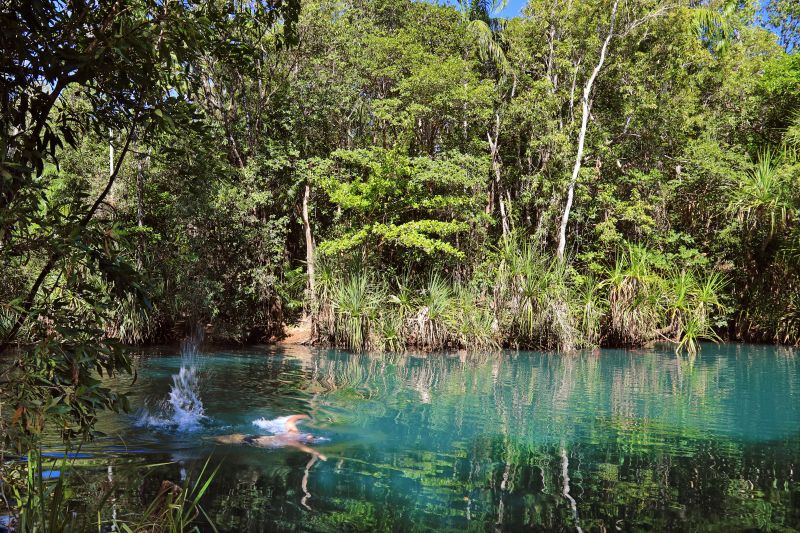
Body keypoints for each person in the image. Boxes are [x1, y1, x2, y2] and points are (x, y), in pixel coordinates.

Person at [212, 414, 326, 460]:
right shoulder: (294, 438)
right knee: (237, 440)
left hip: (259, 438)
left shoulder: (294, 435)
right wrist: (318, 454)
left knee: (237, 438)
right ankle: (209, 439)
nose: (310, 436)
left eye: (311, 437)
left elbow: (290, 421)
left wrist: (304, 416)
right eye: (311, 436)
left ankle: (210, 439)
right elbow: (306, 449)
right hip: (259, 441)